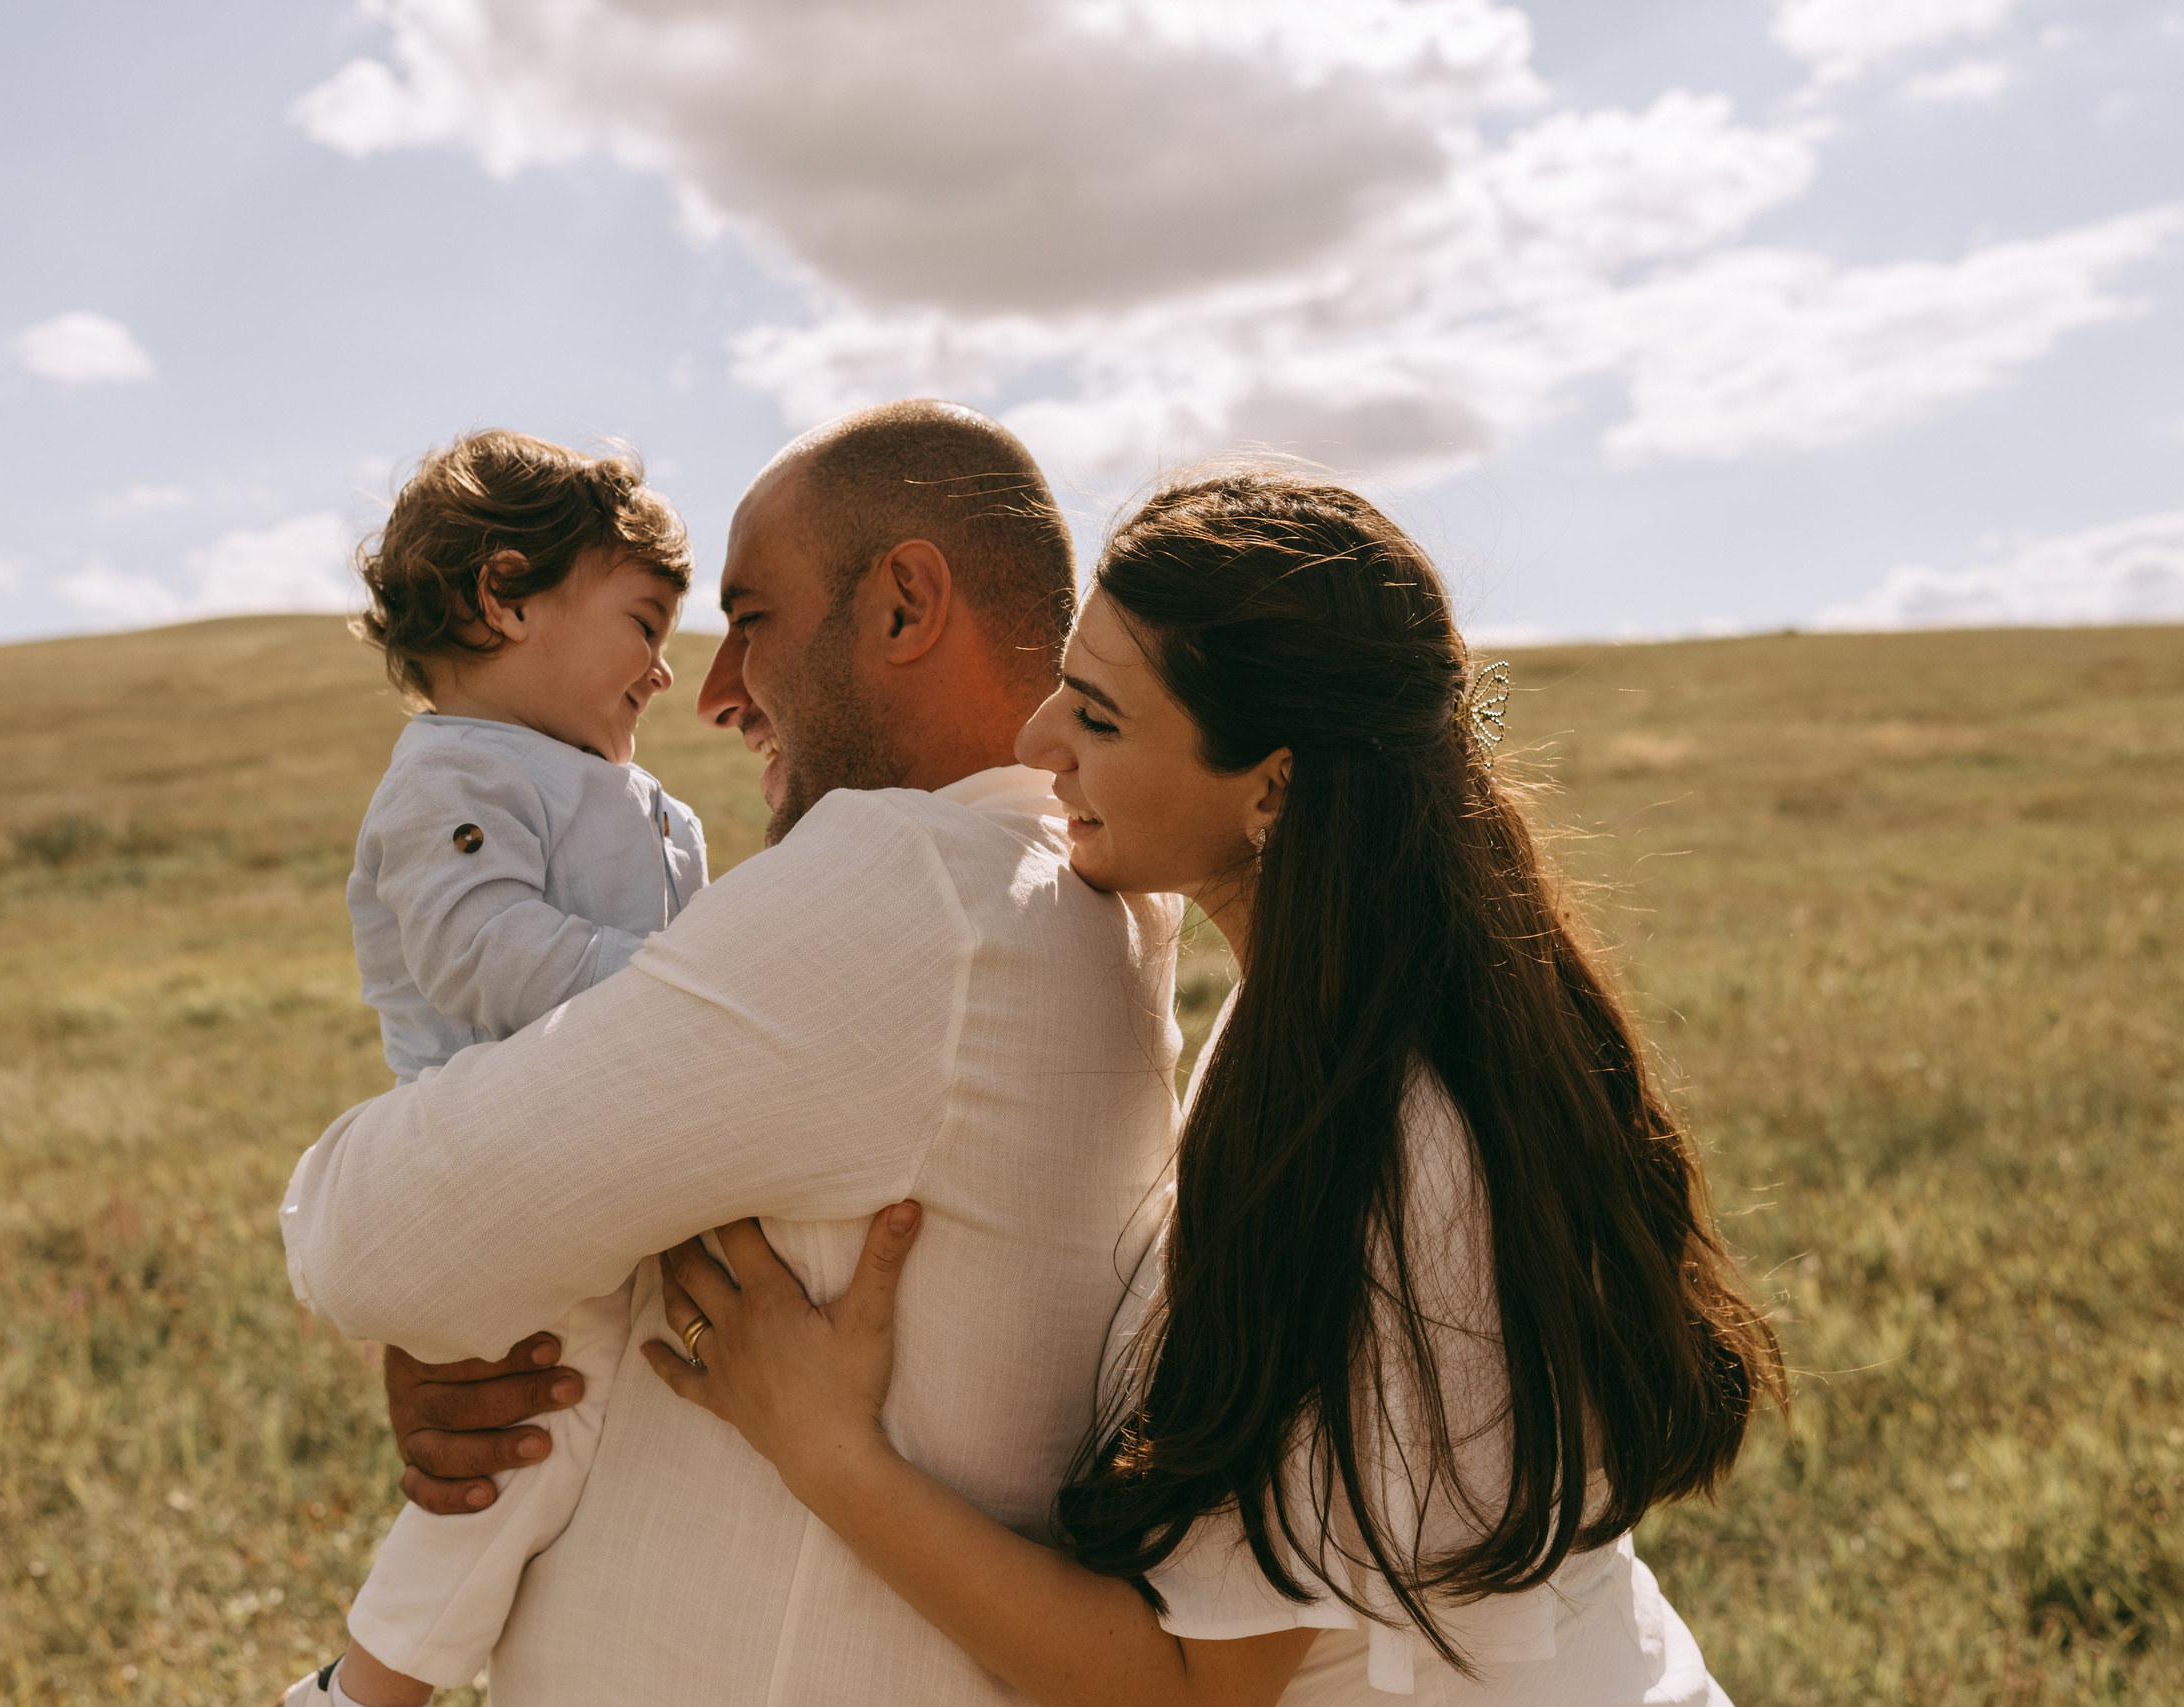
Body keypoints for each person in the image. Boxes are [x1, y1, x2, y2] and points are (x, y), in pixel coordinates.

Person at [641, 469, 1785, 1705]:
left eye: (1098, 718)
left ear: (1271, 786)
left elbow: (1188, 1692)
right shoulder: (1381, 1003)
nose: (1036, 744)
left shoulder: (1375, 1151)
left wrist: (824, 1449)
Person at [280, 400, 1188, 1705]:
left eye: (749, 619)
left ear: (904, 606)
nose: (707, 693)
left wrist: (454, 1288)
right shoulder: (1090, 903)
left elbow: (373, 1245)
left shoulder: (901, 885)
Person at [283, 431, 709, 1707]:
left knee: (589, 1439)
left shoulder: (639, 801)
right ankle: (362, 1692)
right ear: (506, 598)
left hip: (600, 1154)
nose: (665, 668)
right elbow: (481, 952)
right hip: (499, 1153)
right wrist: (695, 990)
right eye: (643, 623)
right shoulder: (459, 770)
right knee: (534, 1442)